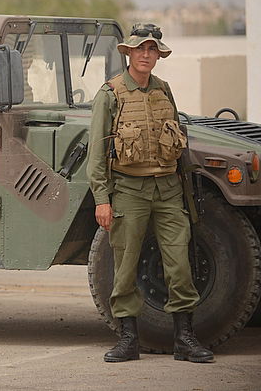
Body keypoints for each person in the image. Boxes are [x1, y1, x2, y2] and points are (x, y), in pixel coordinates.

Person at [87, 23, 214, 364]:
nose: (146, 54)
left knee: (180, 264)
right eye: (140, 48)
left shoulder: (164, 89)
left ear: (158, 54)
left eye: (152, 49)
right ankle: (129, 339)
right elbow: (96, 154)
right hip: (129, 190)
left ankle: (184, 339)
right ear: (128, 52)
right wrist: (102, 199)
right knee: (126, 264)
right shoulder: (110, 94)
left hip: (168, 189)